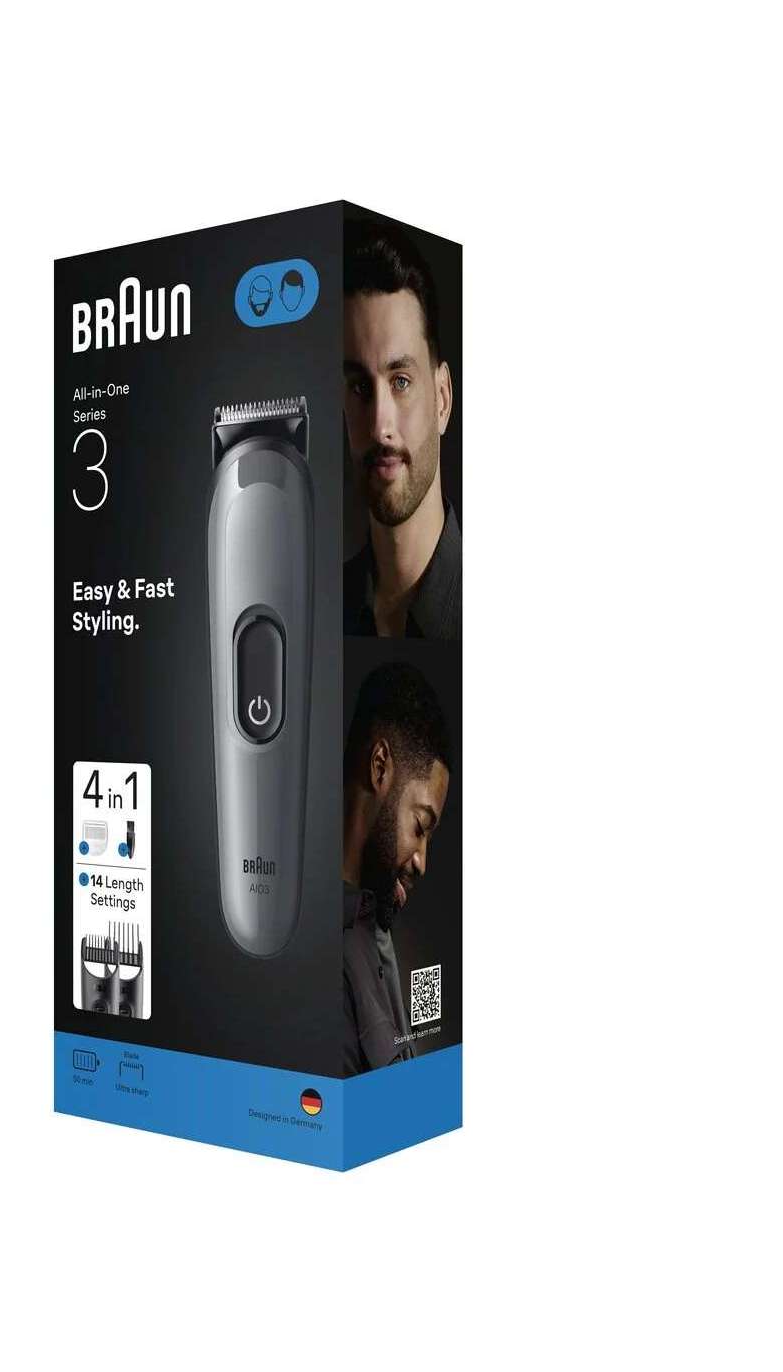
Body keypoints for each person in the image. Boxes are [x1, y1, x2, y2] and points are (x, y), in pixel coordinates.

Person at [343, 219, 461, 639]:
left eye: (401, 381)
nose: (380, 426)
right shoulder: (322, 609)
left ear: (442, 399)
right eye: (360, 387)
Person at [342, 662, 451, 1075]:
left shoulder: (378, 938)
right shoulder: (320, 957)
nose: (422, 861)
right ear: (380, 767)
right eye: (420, 826)